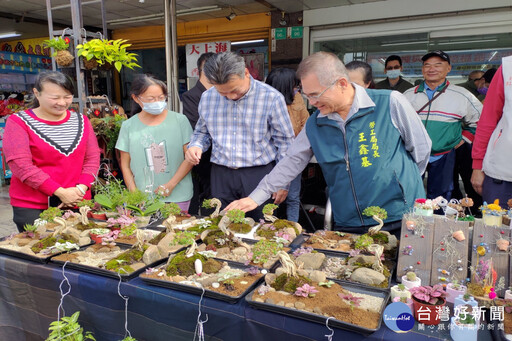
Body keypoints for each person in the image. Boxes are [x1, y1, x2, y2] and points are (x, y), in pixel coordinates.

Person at [226, 51, 431, 236]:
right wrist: (255, 198)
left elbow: (421, 151)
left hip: (399, 215)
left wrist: (401, 185)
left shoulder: (389, 102)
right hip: (348, 219)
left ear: (342, 83)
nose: (311, 102)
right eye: (306, 95)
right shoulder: (316, 123)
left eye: (315, 95)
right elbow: (291, 161)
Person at [185, 52, 294, 220]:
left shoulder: (271, 98)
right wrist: (196, 145)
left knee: (260, 225)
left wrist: (282, 182)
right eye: (223, 93)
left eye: (235, 90)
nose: (230, 97)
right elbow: (202, 132)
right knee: (222, 225)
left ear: (246, 73)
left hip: (259, 174)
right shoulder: (208, 98)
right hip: (221, 175)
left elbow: (285, 143)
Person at [3, 71, 100, 232]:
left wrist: (80, 189)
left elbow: (92, 158)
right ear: (36, 93)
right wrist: (59, 192)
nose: (62, 102)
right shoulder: (18, 122)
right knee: (40, 251)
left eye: (67, 96)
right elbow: (20, 164)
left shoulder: (81, 120)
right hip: (34, 206)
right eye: (54, 98)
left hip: (78, 201)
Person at [404, 50, 482, 201]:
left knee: (441, 199)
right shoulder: (408, 95)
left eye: (438, 65)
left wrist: (464, 139)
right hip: (413, 157)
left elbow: (480, 122)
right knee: (411, 196)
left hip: (444, 155)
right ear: (422, 69)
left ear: (448, 68)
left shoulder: (462, 95)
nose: (431, 69)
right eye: (427, 65)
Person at [116, 74, 193, 211]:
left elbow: (190, 158)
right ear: (136, 98)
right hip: (143, 199)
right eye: (151, 99)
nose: (157, 102)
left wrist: (171, 185)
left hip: (178, 195)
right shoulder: (128, 126)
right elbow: (125, 165)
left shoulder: (180, 121)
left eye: (161, 98)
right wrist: (135, 194)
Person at [265, 68, 309, 222]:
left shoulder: (297, 99)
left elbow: (306, 123)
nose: (296, 89)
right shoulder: (265, 102)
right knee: (270, 197)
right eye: (294, 86)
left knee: (293, 197)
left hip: (293, 155)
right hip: (269, 158)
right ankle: (269, 227)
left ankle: (292, 228)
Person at [471, 56, 511, 205]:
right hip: (502, 173)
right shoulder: (508, 68)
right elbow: (488, 119)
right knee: (495, 226)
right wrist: (477, 165)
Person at [181, 52, 215, 215]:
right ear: (201, 71)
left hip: (222, 160)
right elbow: (197, 127)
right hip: (205, 159)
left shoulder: (222, 94)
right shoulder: (191, 96)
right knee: (209, 198)